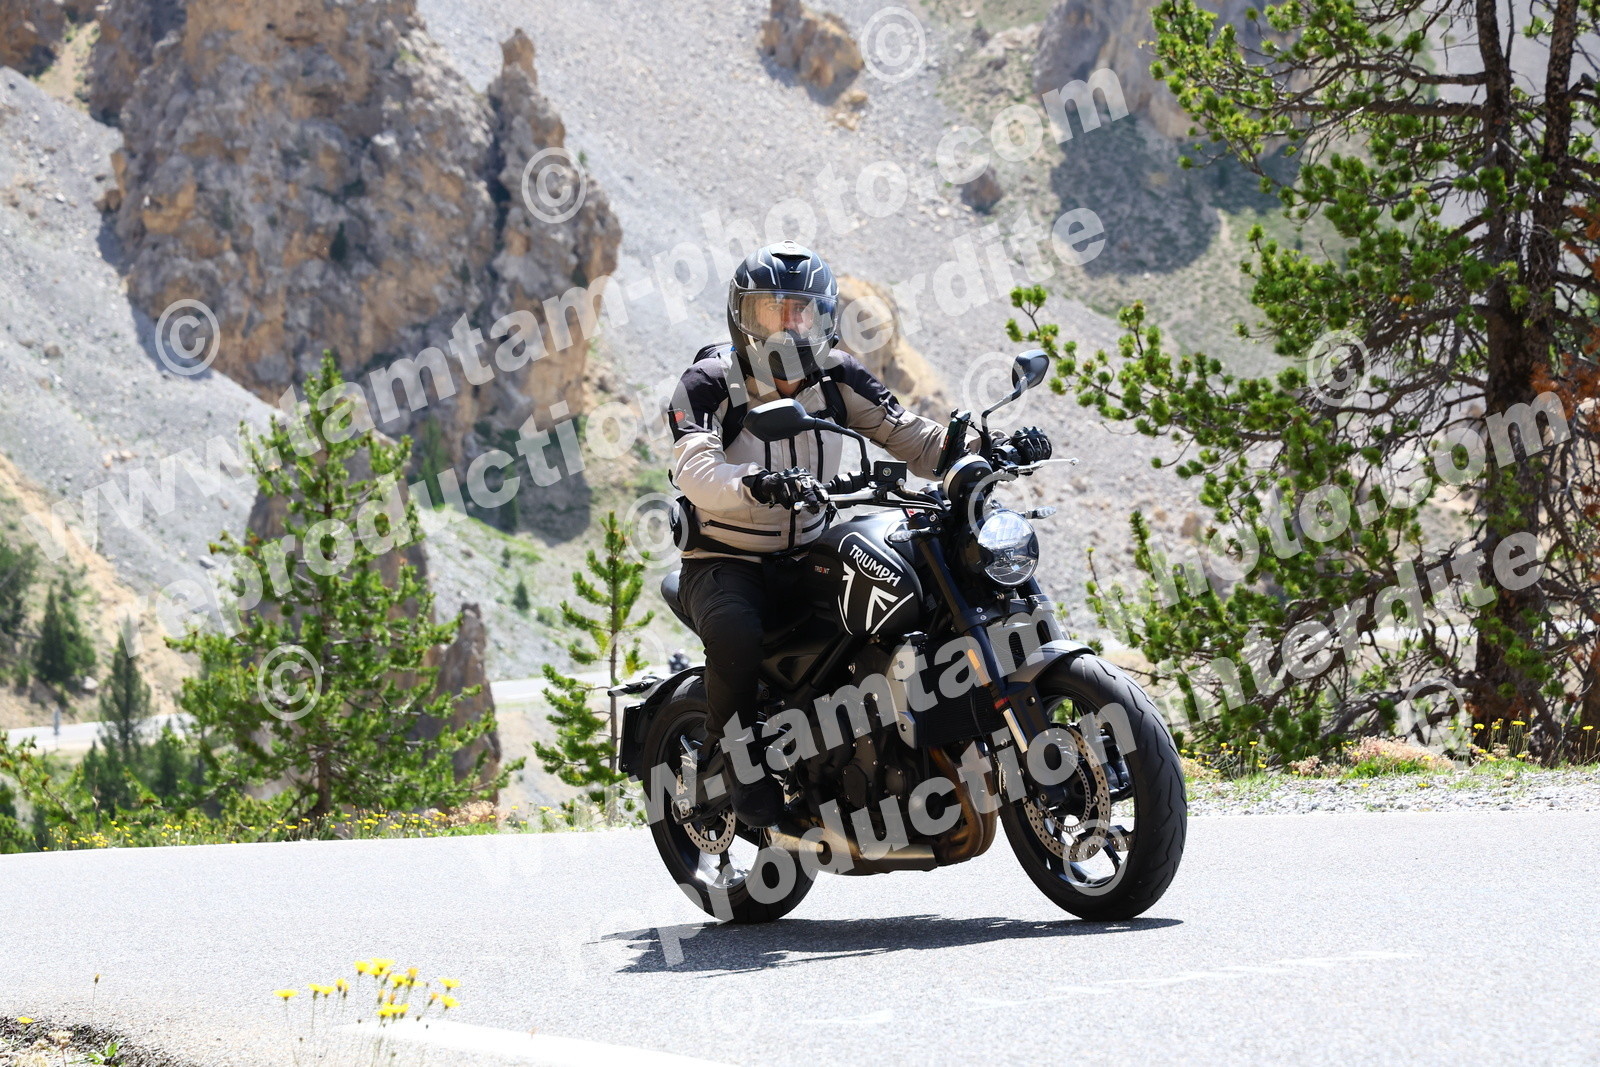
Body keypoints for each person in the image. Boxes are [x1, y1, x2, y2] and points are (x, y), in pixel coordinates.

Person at [665, 241, 1051, 827]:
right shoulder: (708, 382)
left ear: (823, 315)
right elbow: (694, 469)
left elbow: (913, 438)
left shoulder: (838, 375)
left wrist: (987, 446)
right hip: (726, 557)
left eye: (801, 312)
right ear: (744, 316)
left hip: (809, 549)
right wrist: (757, 484)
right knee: (736, 631)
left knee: (910, 595)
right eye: (773, 311)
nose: (789, 326)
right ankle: (738, 762)